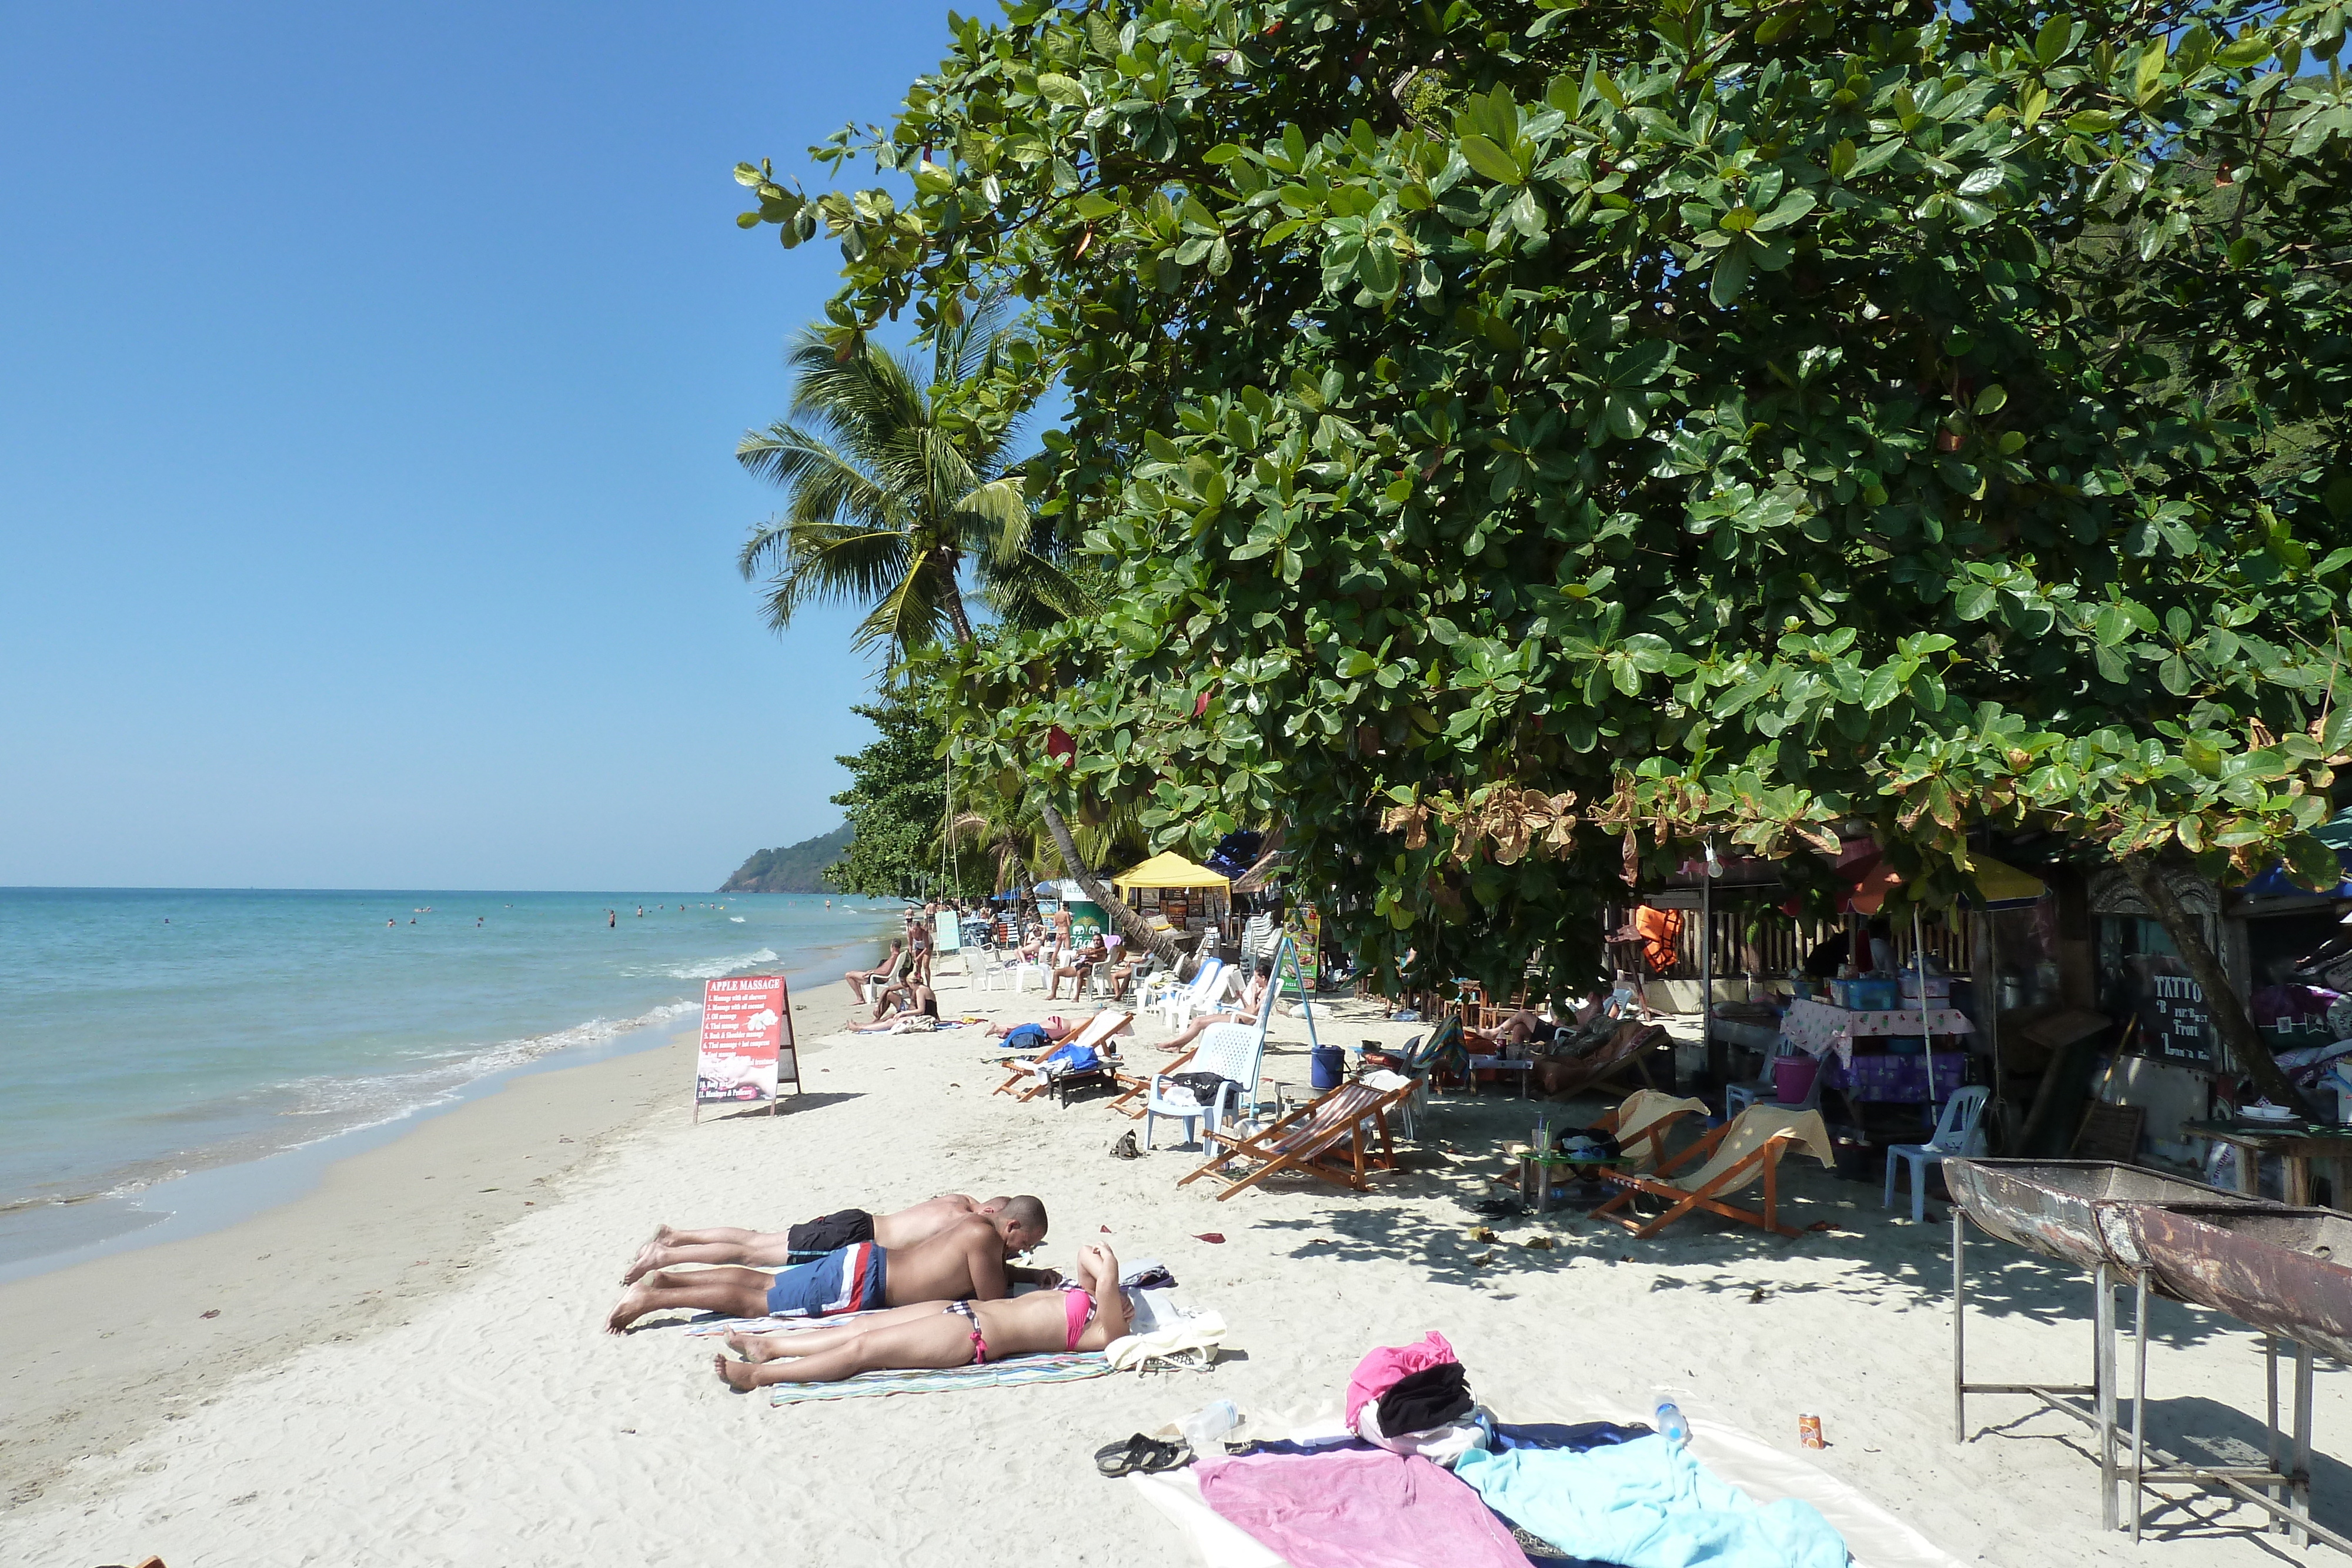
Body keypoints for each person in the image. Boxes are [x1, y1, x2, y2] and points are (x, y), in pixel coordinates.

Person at [712, 1243, 1130, 1390]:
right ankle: (769, 1346)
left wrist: (1110, 1270)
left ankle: (760, 1376)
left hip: (974, 1335)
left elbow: (1106, 1284)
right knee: (862, 1325)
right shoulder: (1089, 1297)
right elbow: (1083, 1257)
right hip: (965, 1310)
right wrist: (1103, 1271)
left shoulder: (1101, 1330)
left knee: (865, 1348)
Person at [606, 1199, 1054, 1332]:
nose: (1022, 1251)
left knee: (761, 1279)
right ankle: (653, 1297)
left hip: (864, 1259)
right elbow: (993, 1299)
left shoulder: (973, 1228)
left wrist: (1032, 1275)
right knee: (756, 1302)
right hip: (862, 1282)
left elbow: (986, 1277)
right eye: (1024, 1243)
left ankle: (667, 1277)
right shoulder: (981, 1237)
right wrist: (1034, 1287)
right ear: (1010, 1224)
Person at [620, 1194, 1019, 1284]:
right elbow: (972, 1261)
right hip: (852, 1236)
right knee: (754, 1253)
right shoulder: (965, 1222)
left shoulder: (958, 1200)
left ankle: (676, 1235)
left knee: (757, 1241)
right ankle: (662, 1255)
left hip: (856, 1220)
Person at [1156, 959, 1269, 1053]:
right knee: (1197, 1020)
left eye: (1256, 978)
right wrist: (1241, 997)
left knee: (1199, 1023)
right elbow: (1250, 1008)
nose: (1255, 981)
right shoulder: (1262, 990)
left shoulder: (1266, 993)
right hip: (1239, 1016)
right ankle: (1177, 1047)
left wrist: (1254, 993)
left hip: (1240, 1020)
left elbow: (1254, 1013)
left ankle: (1172, 1044)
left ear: (1263, 978)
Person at [1047, 932, 1108, 1001]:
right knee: (1057, 972)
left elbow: (1093, 952)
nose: (1096, 942)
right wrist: (1083, 951)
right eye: (1094, 940)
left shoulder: (1103, 949)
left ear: (1102, 941)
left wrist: (1084, 952)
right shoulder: (1091, 948)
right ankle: (1053, 995)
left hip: (1091, 968)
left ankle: (1077, 997)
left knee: (1080, 973)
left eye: (1098, 940)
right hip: (1081, 965)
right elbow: (1079, 951)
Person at [845, 939, 907, 1005]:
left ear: (892, 947)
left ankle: (860, 999)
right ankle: (860, 998)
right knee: (854, 974)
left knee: (849, 975)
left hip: (879, 978)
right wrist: (873, 971)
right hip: (883, 976)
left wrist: (873, 972)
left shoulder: (893, 957)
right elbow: (885, 969)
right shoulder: (899, 955)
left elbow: (885, 971)